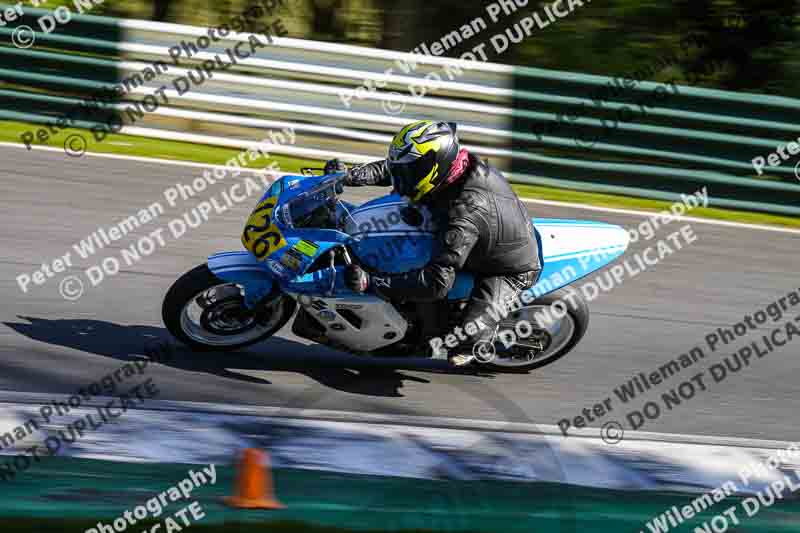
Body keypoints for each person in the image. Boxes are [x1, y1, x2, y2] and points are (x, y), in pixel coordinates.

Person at [325, 120, 541, 366]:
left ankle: (460, 339)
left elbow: (437, 283)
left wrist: (373, 283)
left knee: (464, 342)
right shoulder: (453, 167)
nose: (403, 177)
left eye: (412, 170)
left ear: (434, 167)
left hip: (509, 267)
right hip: (488, 229)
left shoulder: (463, 215)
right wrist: (347, 177)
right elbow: (394, 169)